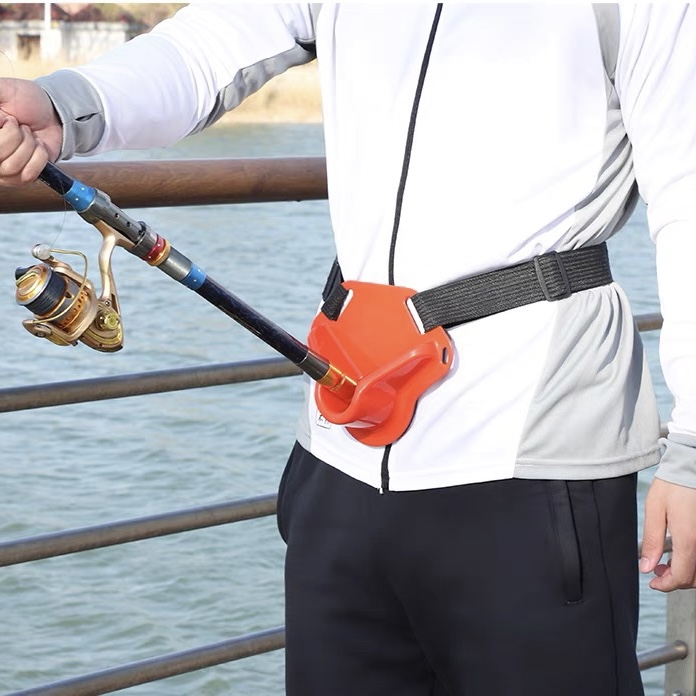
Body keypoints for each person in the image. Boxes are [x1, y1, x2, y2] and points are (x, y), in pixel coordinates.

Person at [1, 4, 695, 695]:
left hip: (534, 462)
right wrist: (62, 106)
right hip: (339, 452)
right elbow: (208, 47)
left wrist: (692, 452)